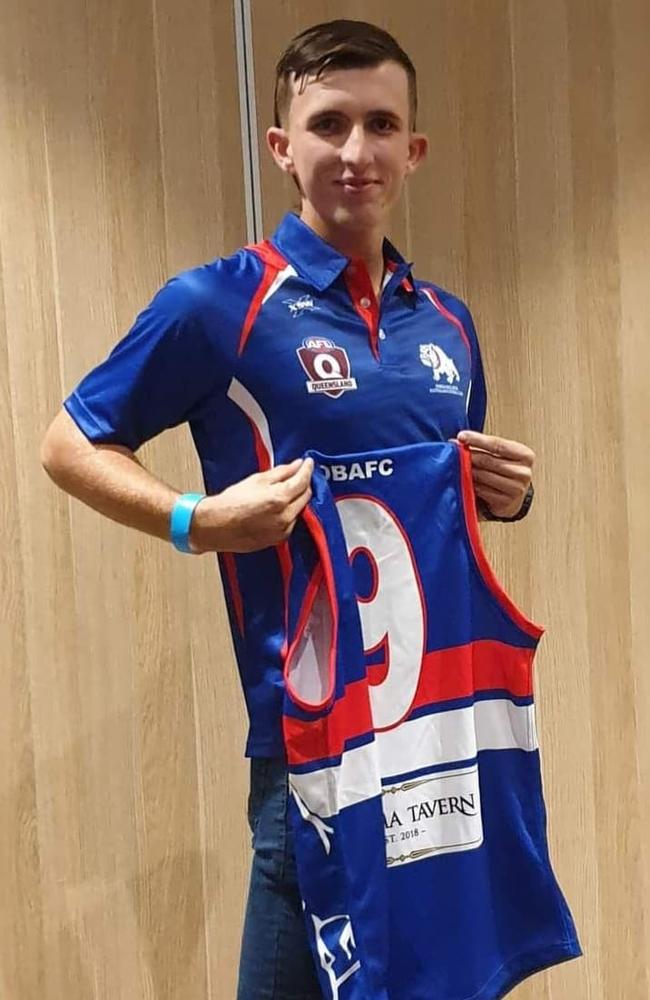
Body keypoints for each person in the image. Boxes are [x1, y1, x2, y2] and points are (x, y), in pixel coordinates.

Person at [41, 19, 536, 999]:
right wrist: (198, 520)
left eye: (379, 124)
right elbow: (69, 442)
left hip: (442, 738)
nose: (355, 151)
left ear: (412, 148)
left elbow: (446, 514)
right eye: (328, 124)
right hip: (306, 751)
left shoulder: (446, 324)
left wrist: (509, 498)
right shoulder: (216, 305)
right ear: (282, 146)